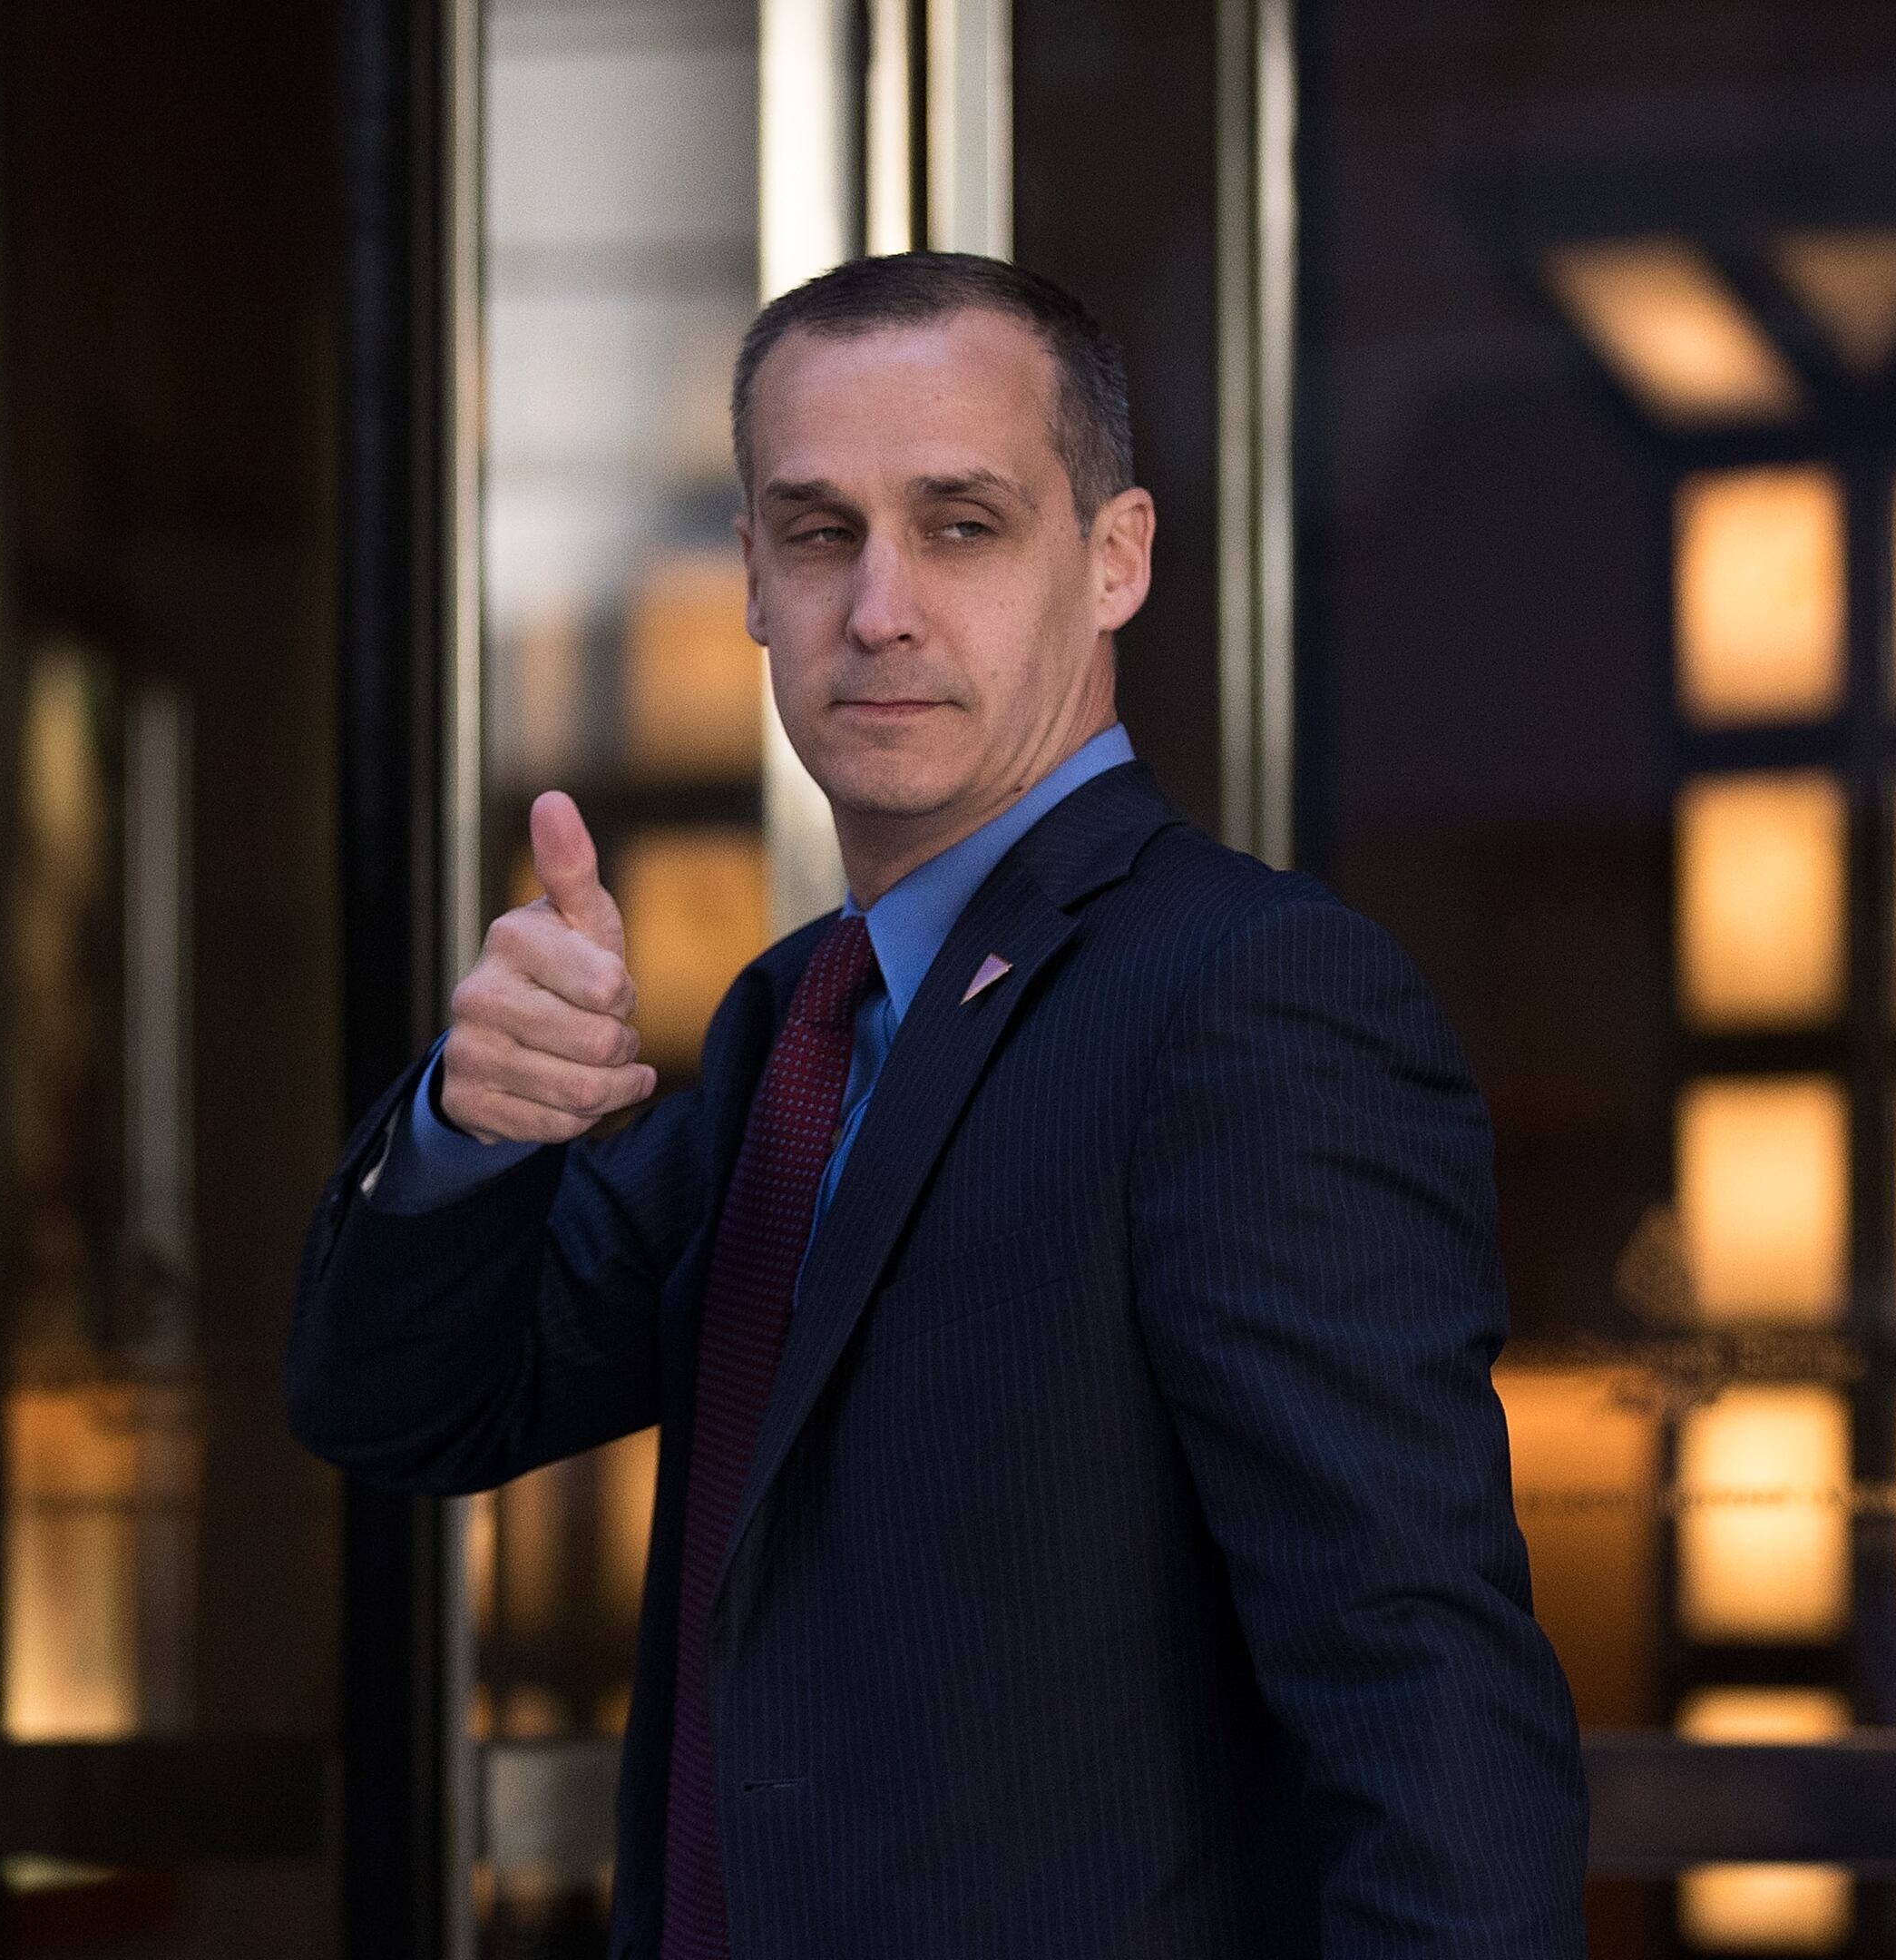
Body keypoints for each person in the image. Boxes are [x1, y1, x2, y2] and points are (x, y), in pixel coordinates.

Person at [287, 251, 1590, 1958]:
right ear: (750, 572)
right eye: (819, 532)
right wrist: (475, 1128)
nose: (879, 606)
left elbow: (1420, 1684)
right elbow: (402, 1410)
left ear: (1114, 557)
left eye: (962, 524)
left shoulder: (1246, 997)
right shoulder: (802, 1021)